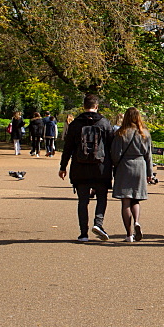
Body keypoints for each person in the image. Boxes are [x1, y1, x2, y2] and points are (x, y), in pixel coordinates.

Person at [59, 94, 115, 242]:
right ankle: (98, 223)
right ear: (96, 106)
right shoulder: (104, 123)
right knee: (102, 197)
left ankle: (83, 233)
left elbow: (68, 147)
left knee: (82, 200)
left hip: (80, 167)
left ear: (83, 106)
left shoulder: (75, 124)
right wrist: (114, 166)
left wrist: (63, 166)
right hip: (101, 167)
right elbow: (111, 147)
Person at [110, 107, 153, 243]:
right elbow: (149, 155)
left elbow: (115, 154)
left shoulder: (120, 133)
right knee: (136, 199)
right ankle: (137, 222)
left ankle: (129, 234)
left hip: (125, 166)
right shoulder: (145, 133)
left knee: (126, 201)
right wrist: (150, 173)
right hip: (140, 165)